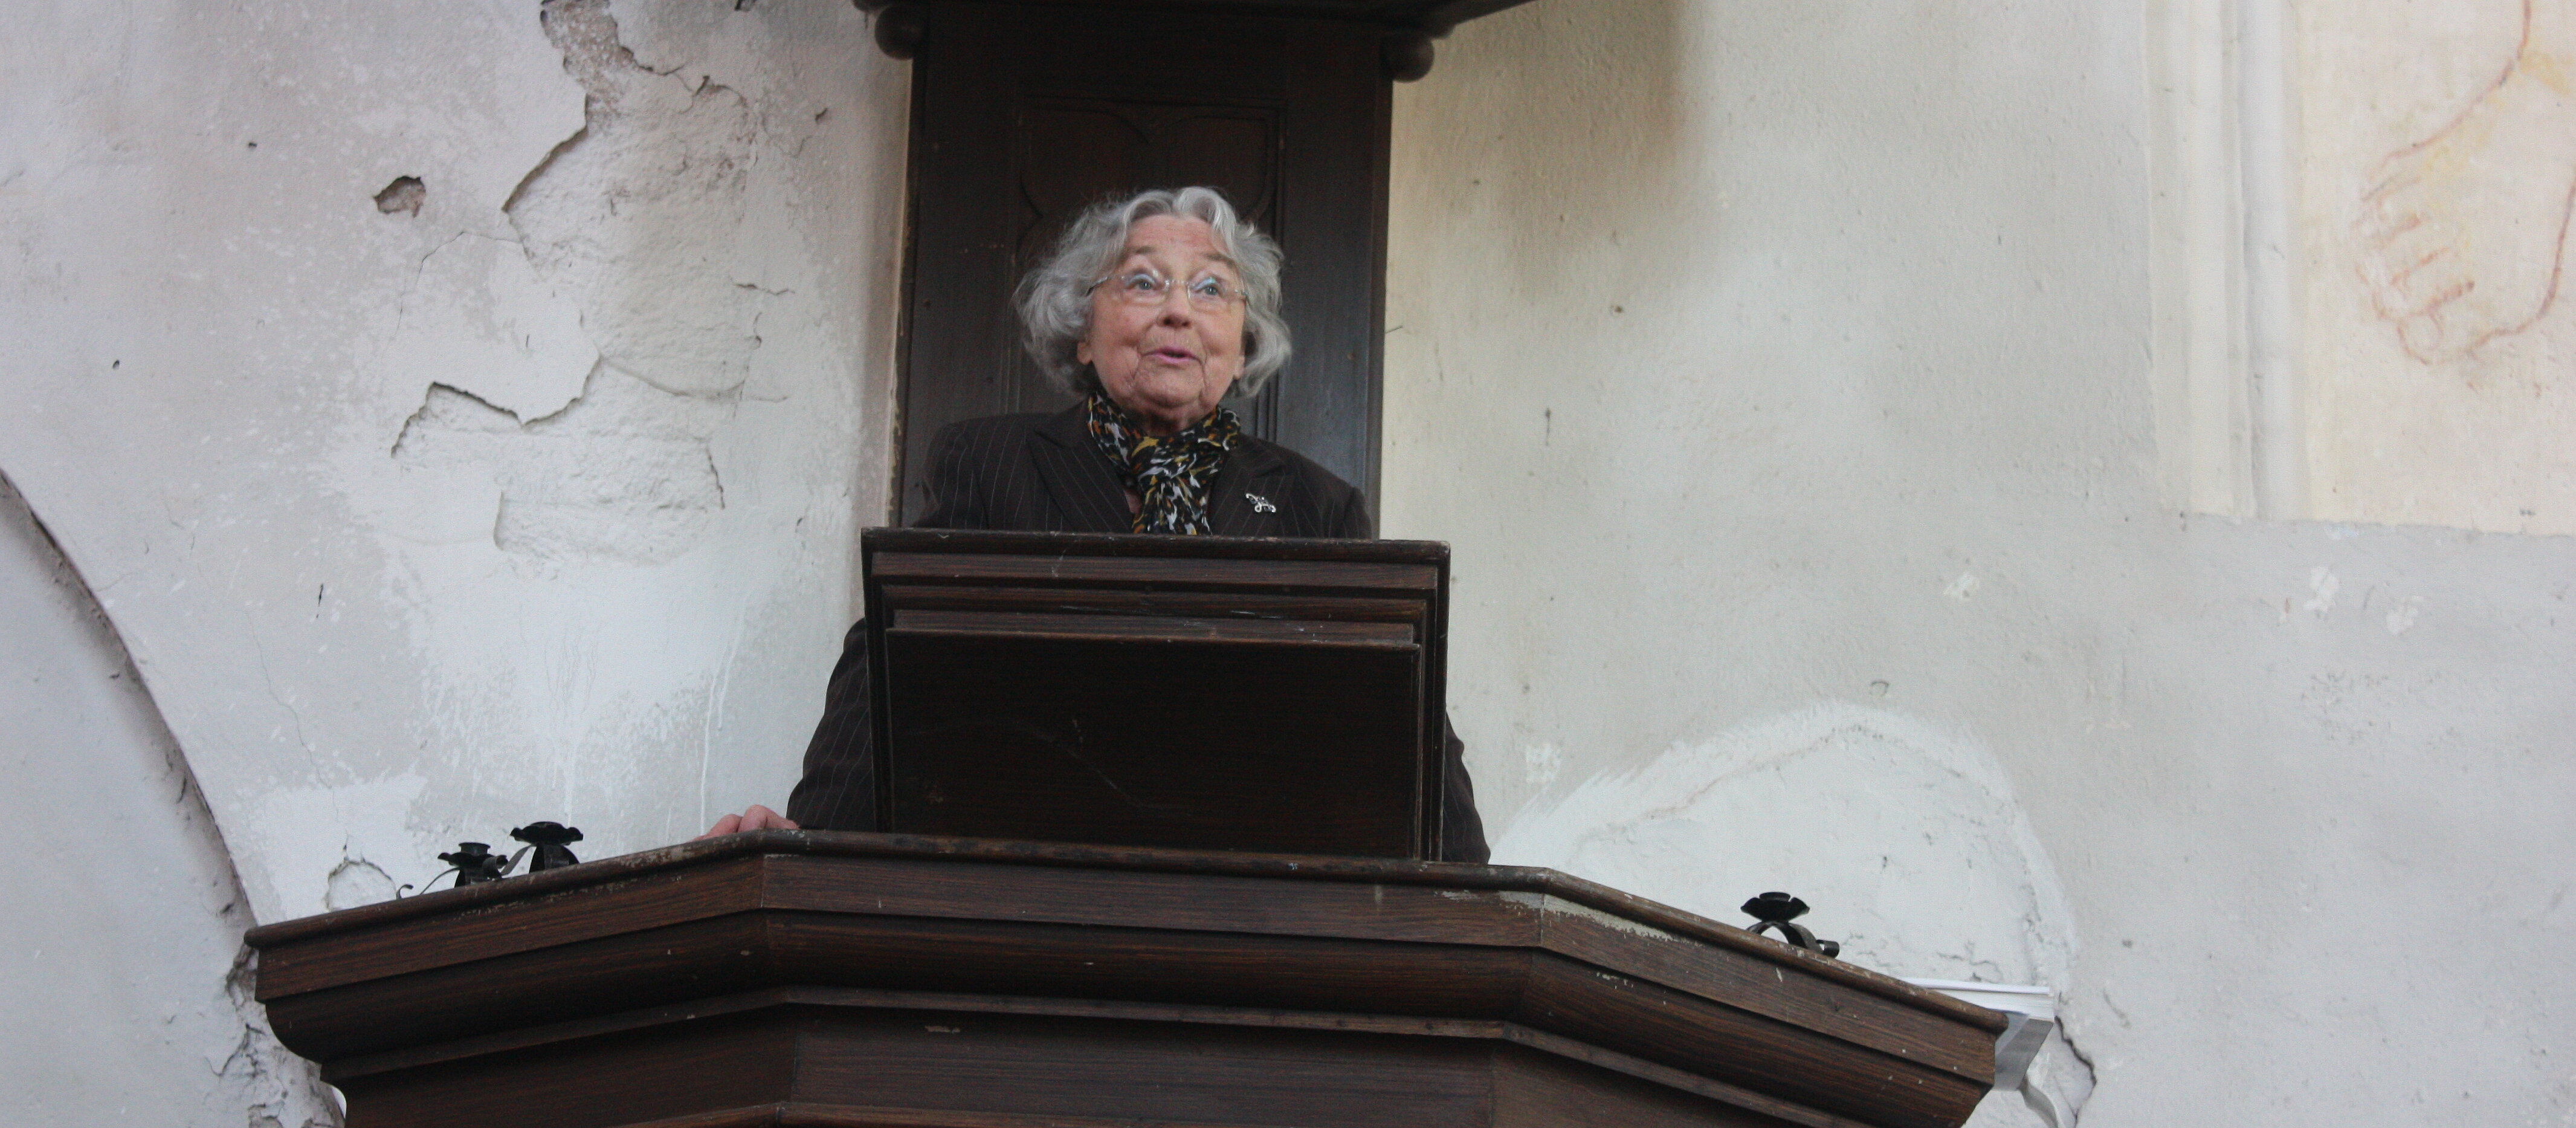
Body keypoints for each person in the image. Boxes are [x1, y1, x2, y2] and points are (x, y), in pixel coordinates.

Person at [702, 186, 1490, 861]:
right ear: (1083, 331)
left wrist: (1467, 880)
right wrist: (815, 837)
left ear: (1245, 344)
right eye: (1143, 281)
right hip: (1027, 878)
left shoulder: (1318, 506)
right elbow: (891, 655)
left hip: (1243, 896)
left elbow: (1402, 708)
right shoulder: (990, 461)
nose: (1179, 310)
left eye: (1212, 289)